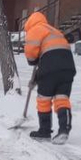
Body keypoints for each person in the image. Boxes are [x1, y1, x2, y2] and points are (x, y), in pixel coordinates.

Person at [24, 12, 76, 144]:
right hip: (68, 68)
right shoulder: (54, 30)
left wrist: (33, 61)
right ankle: (64, 129)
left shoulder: (35, 29)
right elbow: (52, 54)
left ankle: (44, 131)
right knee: (62, 98)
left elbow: (31, 54)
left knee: (44, 99)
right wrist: (36, 78)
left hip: (50, 68)